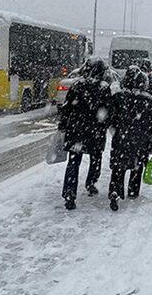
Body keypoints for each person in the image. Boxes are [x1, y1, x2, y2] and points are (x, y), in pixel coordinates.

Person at [58, 57, 112, 210]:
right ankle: (91, 182)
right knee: (96, 158)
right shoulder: (103, 88)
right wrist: (104, 124)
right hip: (95, 131)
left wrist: (63, 125)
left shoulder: (77, 85)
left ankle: (69, 192)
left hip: (76, 130)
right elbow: (108, 111)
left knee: (73, 161)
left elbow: (67, 107)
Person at [108, 66, 152, 211]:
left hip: (121, 138)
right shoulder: (149, 100)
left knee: (118, 167)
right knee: (136, 166)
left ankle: (115, 191)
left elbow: (111, 117)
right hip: (141, 140)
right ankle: (132, 191)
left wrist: (114, 128)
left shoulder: (119, 97)